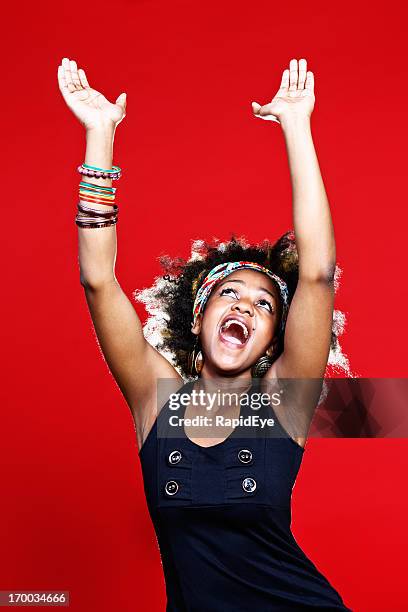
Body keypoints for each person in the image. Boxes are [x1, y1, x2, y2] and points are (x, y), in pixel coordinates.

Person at [58, 56, 352, 611]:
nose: (245, 304)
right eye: (230, 294)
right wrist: (100, 137)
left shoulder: (284, 404)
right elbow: (98, 281)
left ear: (274, 340)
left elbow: (316, 271)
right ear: (197, 318)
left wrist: (296, 126)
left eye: (265, 305)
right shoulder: (155, 399)